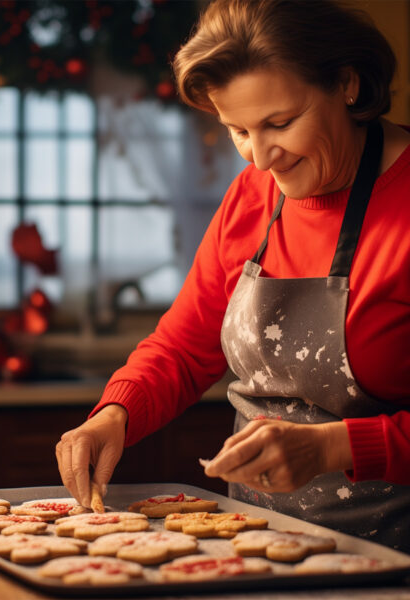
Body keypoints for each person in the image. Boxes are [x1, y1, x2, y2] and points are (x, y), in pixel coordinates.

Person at [55, 0, 410, 552]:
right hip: (254, 546)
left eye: (280, 123)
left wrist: (331, 448)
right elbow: (183, 345)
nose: (262, 159)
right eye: (237, 130)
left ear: (346, 82)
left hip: (391, 555)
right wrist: (114, 414)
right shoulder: (252, 195)